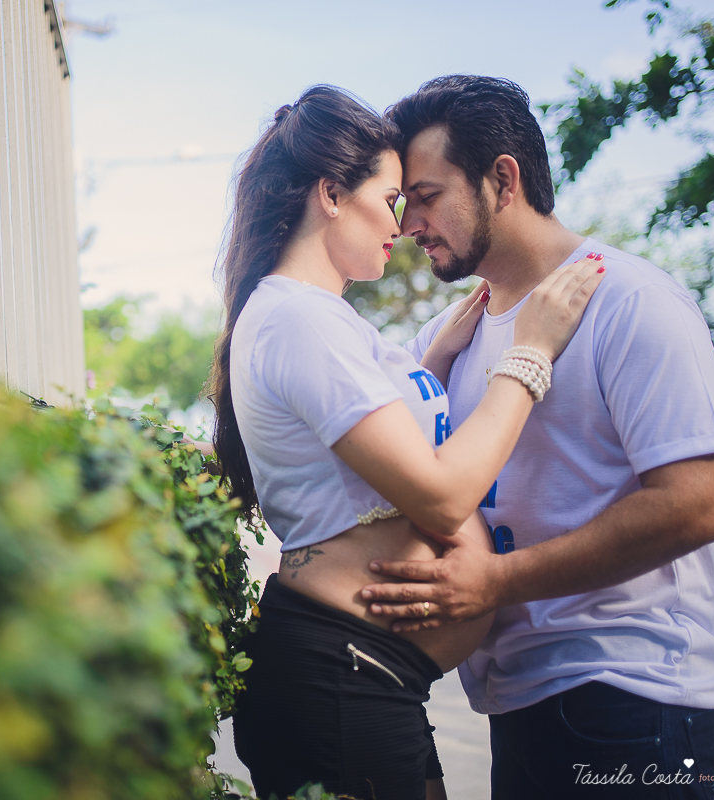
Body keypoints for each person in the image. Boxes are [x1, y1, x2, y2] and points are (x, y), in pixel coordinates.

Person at [210, 84, 605, 800]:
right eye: (393, 197)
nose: (405, 220)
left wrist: (430, 365)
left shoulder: (319, 319)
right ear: (332, 194)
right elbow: (442, 496)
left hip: (367, 672)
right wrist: (530, 354)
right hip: (341, 673)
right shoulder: (300, 320)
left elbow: (358, 449)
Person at [356, 75, 714, 799]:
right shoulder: (449, 333)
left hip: (636, 698)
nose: (408, 225)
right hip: (519, 697)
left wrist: (497, 582)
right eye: (403, 202)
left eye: (428, 195)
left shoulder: (631, 302)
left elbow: (698, 505)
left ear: (504, 179)